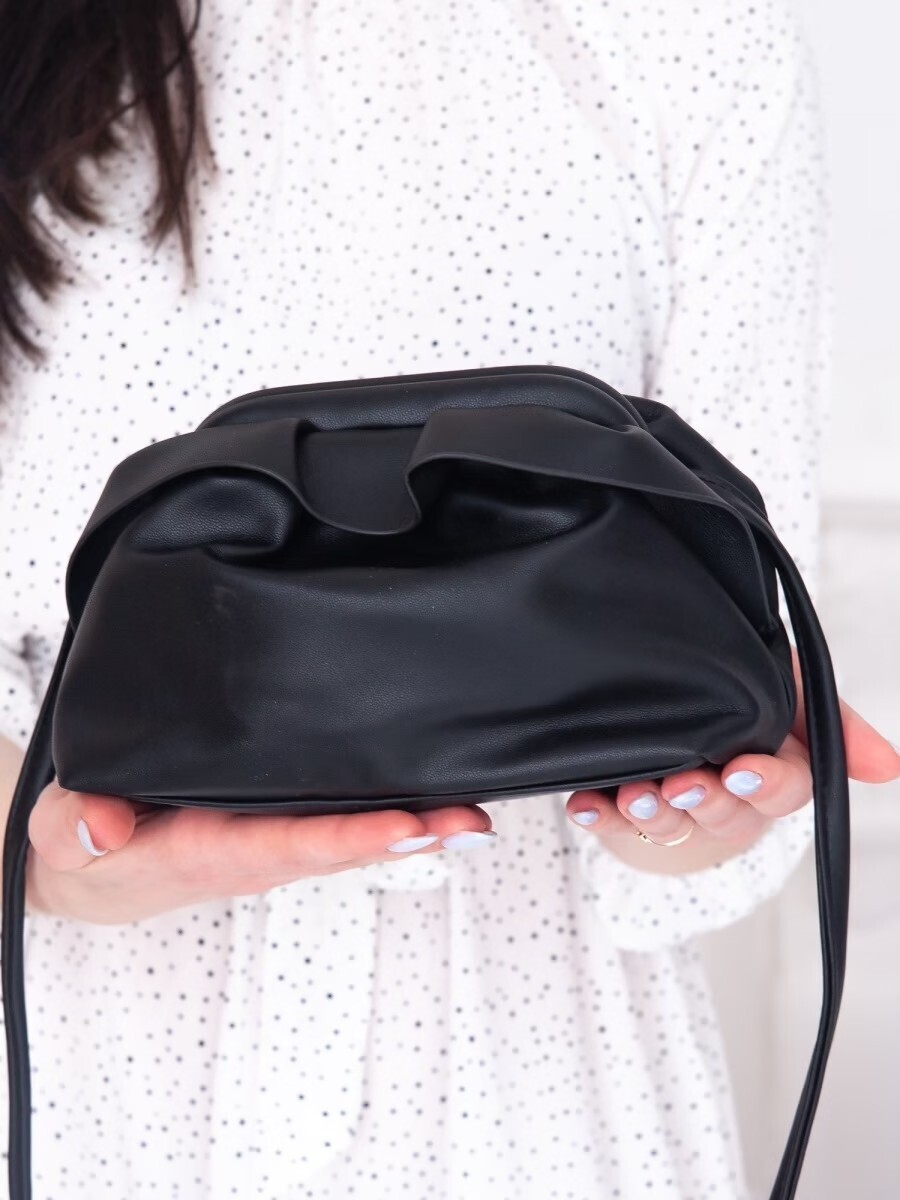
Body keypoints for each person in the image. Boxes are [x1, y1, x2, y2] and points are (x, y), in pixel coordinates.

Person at [0, 2, 897, 1198]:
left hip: (530, 1083)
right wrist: (45, 864)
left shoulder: (689, 39)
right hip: (96, 1077)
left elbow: (731, 611)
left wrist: (706, 811)